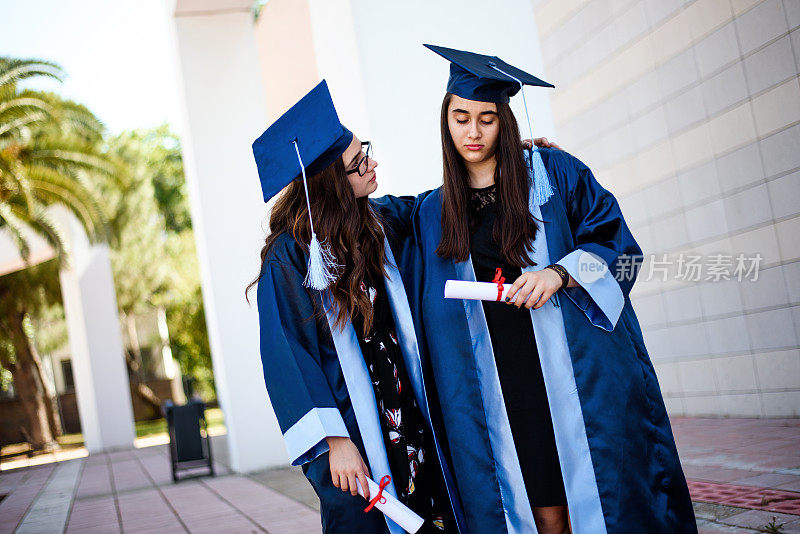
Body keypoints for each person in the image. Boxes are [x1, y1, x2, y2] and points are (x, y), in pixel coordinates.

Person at [410, 45, 697, 534]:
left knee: (603, 495)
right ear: (446, 123)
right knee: (542, 509)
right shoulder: (432, 211)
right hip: (501, 379)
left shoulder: (553, 174)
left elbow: (621, 248)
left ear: (505, 122)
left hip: (575, 371)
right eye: (461, 118)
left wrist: (559, 273)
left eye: (487, 119)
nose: (473, 133)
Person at [248, 80, 463, 533]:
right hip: (352, 432)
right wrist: (334, 441)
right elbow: (288, 358)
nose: (372, 163)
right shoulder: (290, 258)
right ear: (330, 186)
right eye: (358, 162)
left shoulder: (378, 225)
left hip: (406, 416)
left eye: (365, 151)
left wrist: (509, 159)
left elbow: (436, 205)